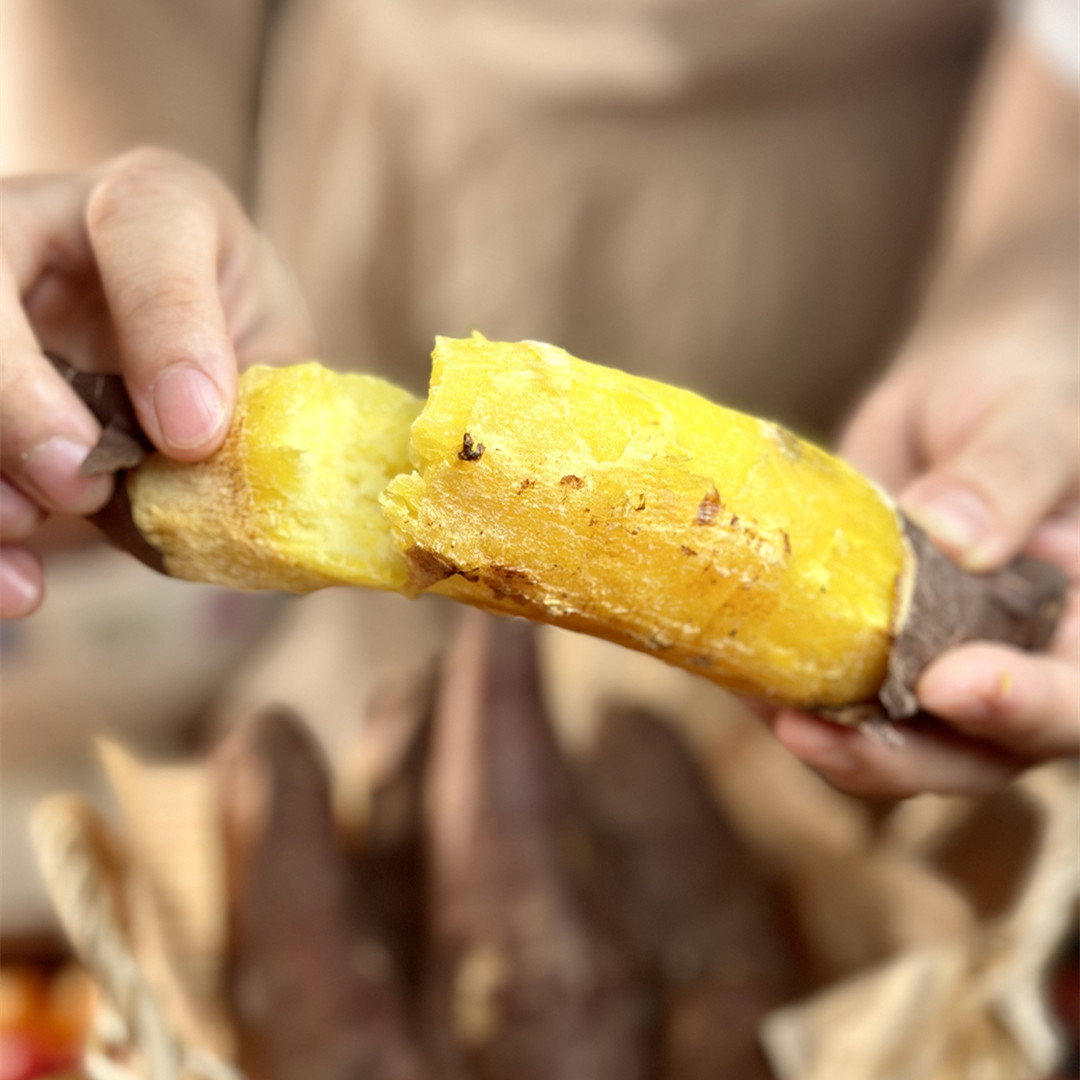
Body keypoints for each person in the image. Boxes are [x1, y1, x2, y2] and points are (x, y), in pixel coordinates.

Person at [0, 0, 1076, 804]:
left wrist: (1042, 268)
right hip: (407, 168)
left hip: (914, 207)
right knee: (388, 755)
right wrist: (115, 245)